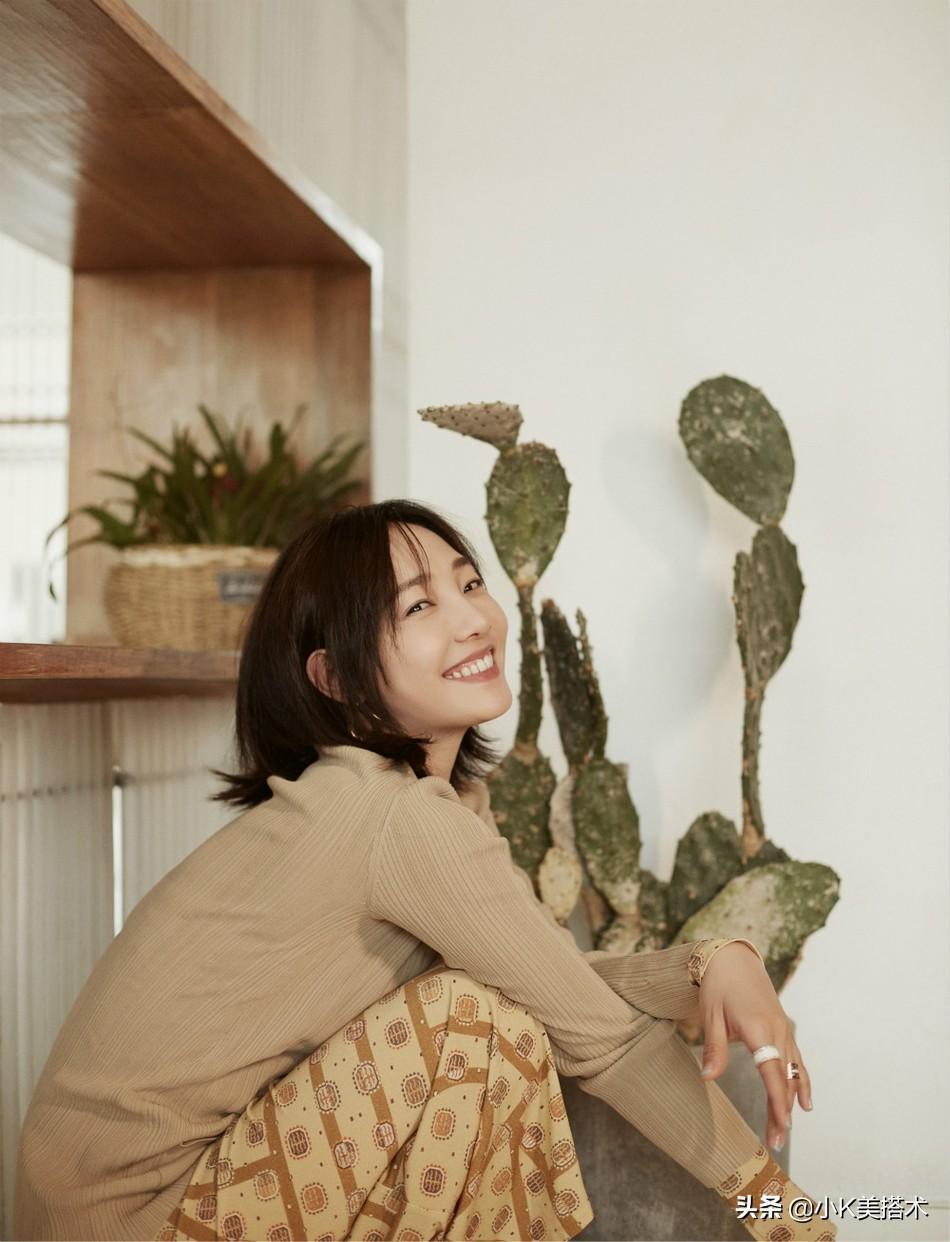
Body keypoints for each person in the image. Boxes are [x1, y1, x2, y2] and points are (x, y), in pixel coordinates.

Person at [13, 499, 835, 1242]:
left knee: (495, 1007)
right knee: (479, 1021)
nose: (473, 619)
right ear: (336, 678)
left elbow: (554, 983)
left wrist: (710, 965)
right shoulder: (394, 816)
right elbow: (602, 1040)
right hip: (133, 1217)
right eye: (418, 606)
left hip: (153, 1200)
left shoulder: (418, 803)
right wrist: (790, 1217)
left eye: (469, 584)